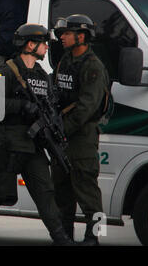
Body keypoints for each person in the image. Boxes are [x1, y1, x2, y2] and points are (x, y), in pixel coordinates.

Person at [0, 23, 74, 246]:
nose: (47, 48)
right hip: (9, 143)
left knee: (45, 193)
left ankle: (61, 239)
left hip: (34, 145)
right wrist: (22, 106)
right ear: (31, 45)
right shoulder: (5, 70)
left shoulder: (43, 76)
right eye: (44, 44)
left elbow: (50, 107)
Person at [51, 14, 109, 246]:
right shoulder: (65, 61)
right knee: (61, 191)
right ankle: (63, 237)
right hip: (62, 136)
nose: (62, 37)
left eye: (66, 33)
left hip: (81, 138)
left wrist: (62, 130)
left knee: (88, 191)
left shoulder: (93, 67)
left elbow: (86, 108)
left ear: (81, 36)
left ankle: (94, 237)